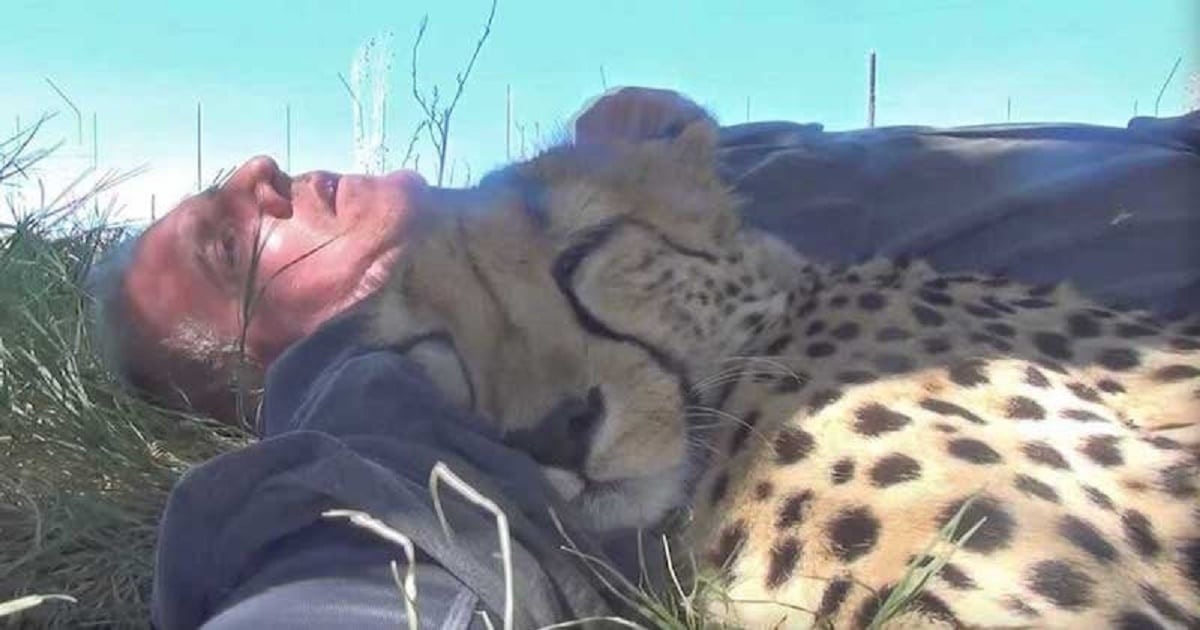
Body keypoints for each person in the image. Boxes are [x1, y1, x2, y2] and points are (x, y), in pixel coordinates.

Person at [85, 87, 1200, 629]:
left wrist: (676, 145)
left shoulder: (564, 177)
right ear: (256, 364)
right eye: (232, 238)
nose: (260, 165)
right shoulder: (377, 368)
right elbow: (367, 532)